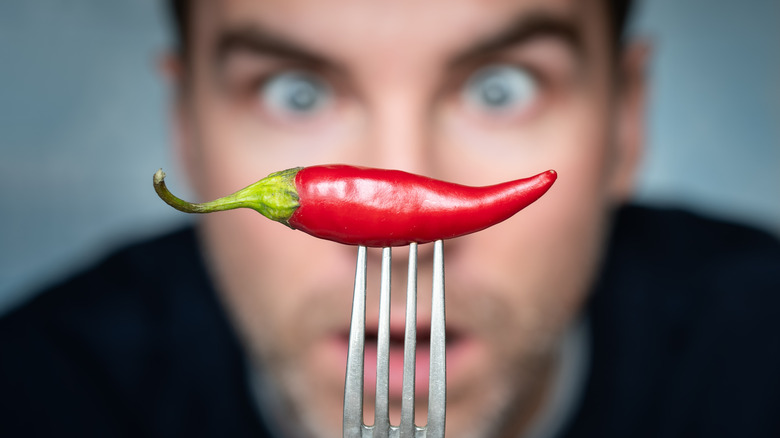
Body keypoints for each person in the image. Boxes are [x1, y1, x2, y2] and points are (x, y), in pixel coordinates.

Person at [2, 0, 779, 437]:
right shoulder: (42, 394)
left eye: (501, 89)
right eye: (294, 93)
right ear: (186, 128)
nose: (402, 234)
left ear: (627, 122)